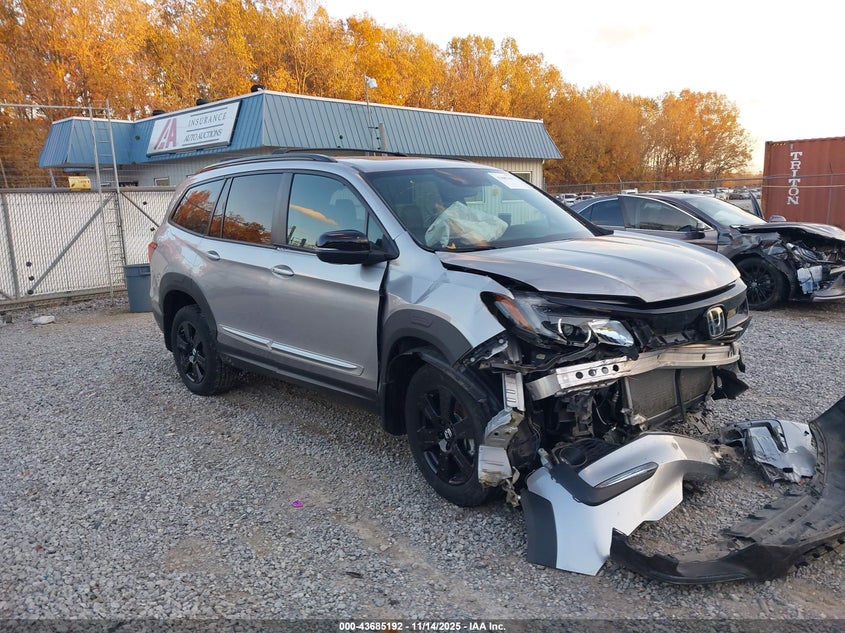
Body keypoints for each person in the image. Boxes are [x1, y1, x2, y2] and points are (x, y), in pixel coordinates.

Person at [424, 186, 507, 248]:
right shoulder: (432, 237)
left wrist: (459, 228)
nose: (437, 206)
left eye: (442, 204)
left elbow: (483, 244)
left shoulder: (470, 218)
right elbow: (482, 246)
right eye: (435, 209)